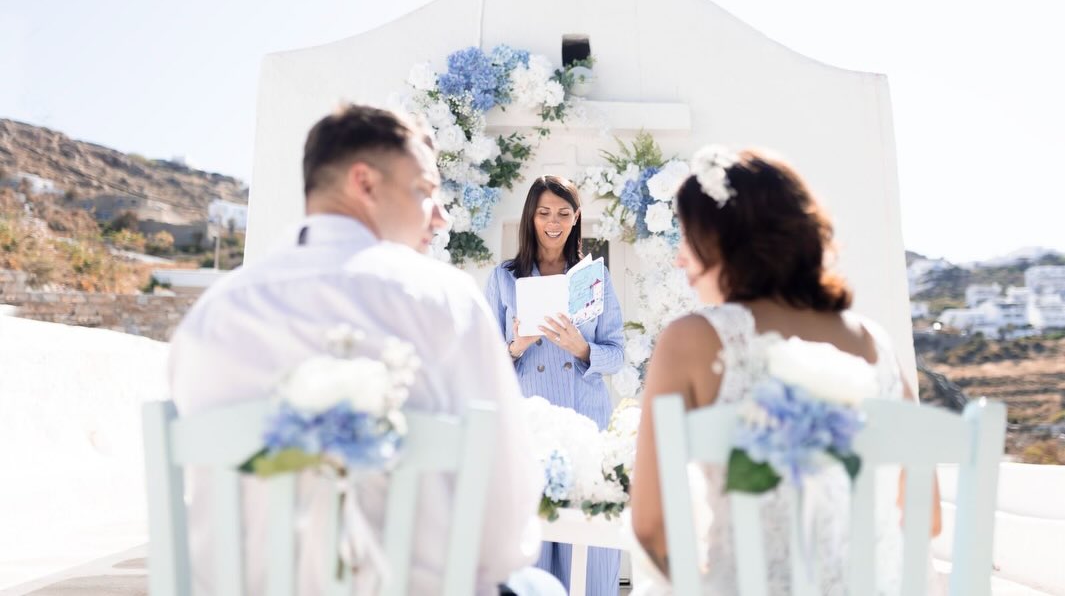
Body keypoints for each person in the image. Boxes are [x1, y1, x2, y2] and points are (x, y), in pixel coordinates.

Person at [169, 104, 563, 595]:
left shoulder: (211, 316)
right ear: (365, 183)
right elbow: (505, 529)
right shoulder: (446, 302)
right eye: (424, 191)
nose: (440, 217)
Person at [629, 146, 942, 595]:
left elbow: (653, 527)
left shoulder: (690, 339)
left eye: (686, 237)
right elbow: (924, 515)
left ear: (724, 238)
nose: (680, 258)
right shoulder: (876, 344)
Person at [484, 175, 624, 596]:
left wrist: (582, 348)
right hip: (532, 425)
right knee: (535, 541)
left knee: (591, 547)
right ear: (531, 217)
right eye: (544, 212)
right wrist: (516, 346)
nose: (553, 222)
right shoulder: (504, 278)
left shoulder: (591, 277)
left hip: (586, 422)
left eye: (564, 213)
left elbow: (617, 353)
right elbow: (486, 365)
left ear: (576, 218)